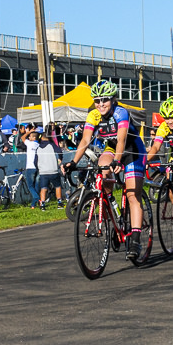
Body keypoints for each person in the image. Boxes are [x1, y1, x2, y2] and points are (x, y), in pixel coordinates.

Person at [63, 80, 149, 259]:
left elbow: (122, 139)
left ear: (113, 99)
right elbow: (85, 140)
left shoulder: (120, 112)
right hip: (112, 148)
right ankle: (109, 205)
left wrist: (118, 161)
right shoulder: (93, 115)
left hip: (132, 150)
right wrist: (73, 161)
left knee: (133, 195)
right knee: (102, 169)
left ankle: (135, 239)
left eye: (104, 100)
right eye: (97, 100)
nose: (100, 104)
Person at [35, 133, 64, 210]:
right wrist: (60, 159)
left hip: (43, 171)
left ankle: (43, 205)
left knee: (43, 188)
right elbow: (59, 152)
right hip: (53, 170)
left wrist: (39, 168)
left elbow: (35, 161)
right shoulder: (52, 145)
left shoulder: (38, 148)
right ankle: (59, 202)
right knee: (57, 186)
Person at [21, 127, 41, 205]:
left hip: (30, 167)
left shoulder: (29, 143)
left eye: (30, 136)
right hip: (38, 167)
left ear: (34, 137)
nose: (29, 137)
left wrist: (29, 132)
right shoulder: (39, 145)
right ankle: (33, 204)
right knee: (36, 185)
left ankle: (37, 198)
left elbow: (22, 137)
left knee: (30, 186)